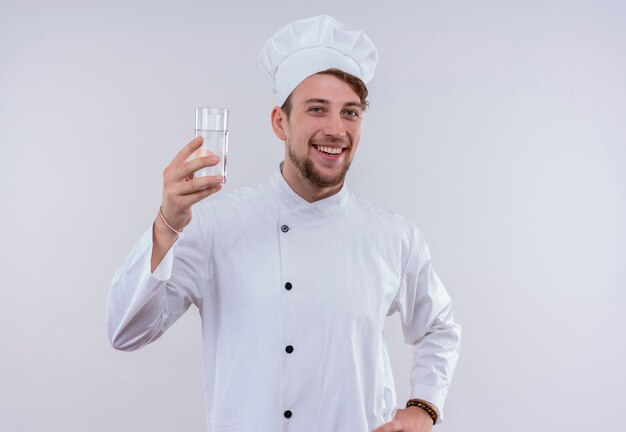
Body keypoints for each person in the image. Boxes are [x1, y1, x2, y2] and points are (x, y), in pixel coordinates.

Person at [107, 15, 461, 432]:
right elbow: (126, 332)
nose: (336, 129)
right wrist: (167, 225)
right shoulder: (215, 225)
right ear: (280, 121)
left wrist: (424, 407)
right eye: (317, 109)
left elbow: (439, 327)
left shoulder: (395, 237)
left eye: (351, 113)